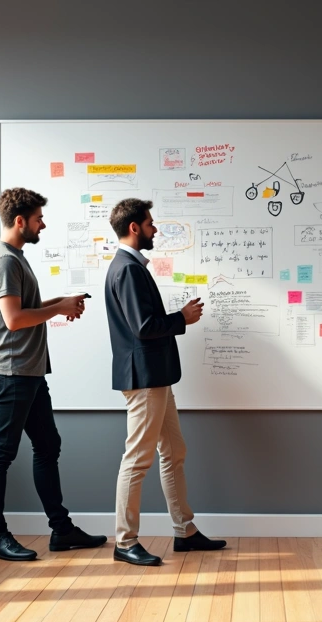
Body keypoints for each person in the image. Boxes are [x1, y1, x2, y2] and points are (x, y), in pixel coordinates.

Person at [0, 187, 106, 561]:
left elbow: (26, 308)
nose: (43, 224)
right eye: (38, 219)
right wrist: (57, 308)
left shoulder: (15, 257)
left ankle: (61, 529)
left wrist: (61, 303)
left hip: (29, 373)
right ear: (20, 221)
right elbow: (14, 320)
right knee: (1, 455)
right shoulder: (4, 261)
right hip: (12, 373)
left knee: (48, 445)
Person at [105, 197, 226, 566]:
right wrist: (182, 318)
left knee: (173, 452)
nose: (155, 229)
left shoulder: (132, 267)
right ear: (134, 228)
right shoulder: (126, 269)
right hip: (144, 380)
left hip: (156, 378)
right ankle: (125, 542)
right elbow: (144, 327)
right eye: (150, 223)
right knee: (137, 459)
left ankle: (184, 532)